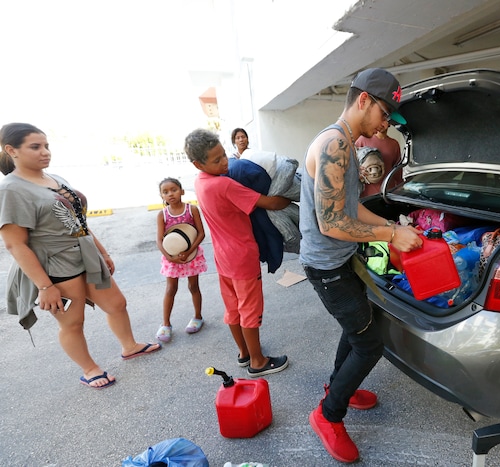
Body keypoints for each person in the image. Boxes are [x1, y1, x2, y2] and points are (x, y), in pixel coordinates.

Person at [299, 68, 423, 463]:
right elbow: (332, 223)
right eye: (385, 114)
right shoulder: (335, 144)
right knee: (369, 344)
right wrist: (390, 237)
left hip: (340, 260)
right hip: (327, 268)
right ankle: (328, 415)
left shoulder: (345, 143)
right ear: (364, 100)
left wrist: (391, 225)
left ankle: (340, 389)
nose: (386, 124)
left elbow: (350, 208)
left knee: (359, 326)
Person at [0, 123, 161, 389]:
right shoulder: (11, 190)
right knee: (73, 323)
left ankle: (130, 346)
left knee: (117, 304)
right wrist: (45, 286)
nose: (45, 152)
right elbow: (15, 244)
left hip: (86, 254)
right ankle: (89, 369)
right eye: (35, 147)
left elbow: (79, 220)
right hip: (56, 265)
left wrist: (101, 251)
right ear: (11, 150)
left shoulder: (55, 178)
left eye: (46, 146)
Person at [184, 128, 290, 376]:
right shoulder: (224, 185)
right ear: (198, 163)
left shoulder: (200, 182)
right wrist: (289, 199)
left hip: (223, 257)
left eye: (224, 155)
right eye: (216, 159)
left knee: (233, 308)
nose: (225, 163)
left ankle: (244, 353)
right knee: (250, 309)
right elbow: (271, 203)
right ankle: (258, 362)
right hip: (242, 257)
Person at [155, 177, 208, 342]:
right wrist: (170, 257)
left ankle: (198, 317)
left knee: (193, 286)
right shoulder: (162, 215)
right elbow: (159, 239)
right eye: (165, 192)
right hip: (171, 257)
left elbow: (201, 233)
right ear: (161, 196)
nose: (170, 194)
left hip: (191, 255)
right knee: (171, 289)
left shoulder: (192, 210)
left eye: (174, 190)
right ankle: (165, 324)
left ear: (182, 191)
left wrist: (189, 251)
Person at [355, 126, 402, 197]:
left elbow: (398, 170)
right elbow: (351, 165)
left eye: (386, 119)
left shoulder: (394, 143)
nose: (383, 124)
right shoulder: (362, 140)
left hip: (387, 192)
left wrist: (400, 188)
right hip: (367, 194)